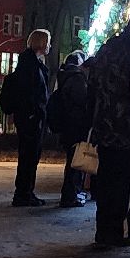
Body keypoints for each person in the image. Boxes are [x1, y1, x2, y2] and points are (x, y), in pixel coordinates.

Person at [87, 10, 130, 249]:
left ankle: (103, 230)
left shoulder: (108, 47)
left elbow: (92, 83)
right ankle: (122, 231)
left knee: (105, 180)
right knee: (126, 182)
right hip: (126, 127)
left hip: (103, 125)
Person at [1, 28, 52, 207]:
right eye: (48, 41)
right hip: (31, 119)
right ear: (42, 43)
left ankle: (26, 192)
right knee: (29, 157)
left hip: (30, 118)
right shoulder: (31, 66)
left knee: (29, 157)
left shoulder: (31, 63)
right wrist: (34, 113)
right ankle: (23, 193)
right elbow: (31, 93)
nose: (50, 45)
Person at [49, 50, 94, 207]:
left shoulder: (66, 77)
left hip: (68, 126)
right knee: (75, 163)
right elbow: (81, 101)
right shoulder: (77, 78)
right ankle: (70, 196)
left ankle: (72, 193)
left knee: (73, 162)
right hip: (75, 126)